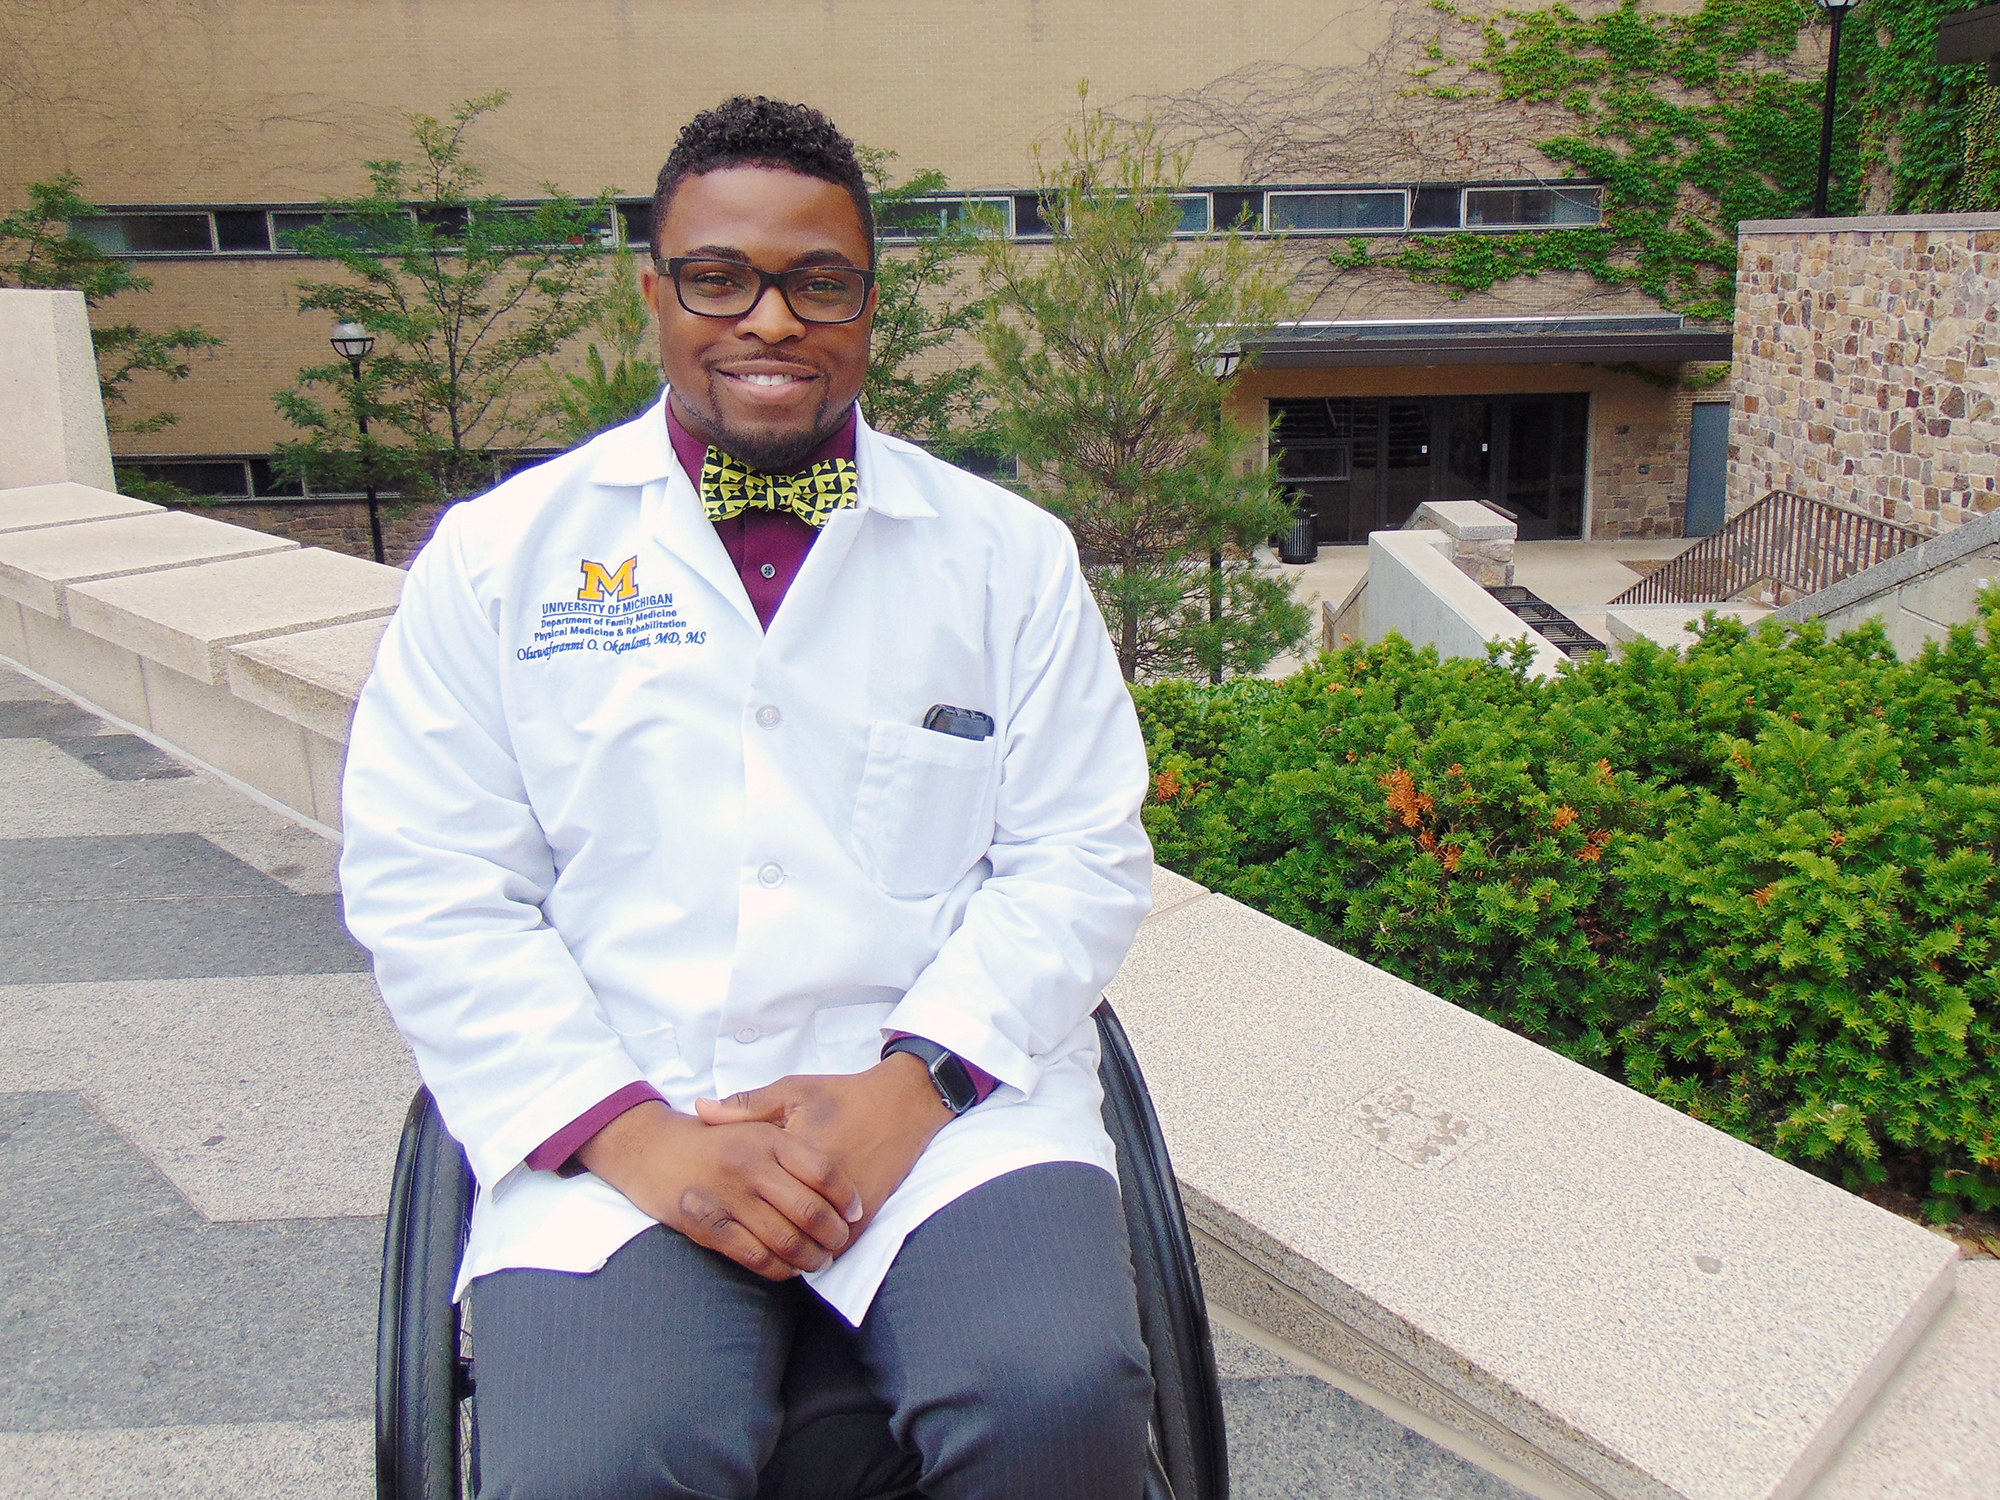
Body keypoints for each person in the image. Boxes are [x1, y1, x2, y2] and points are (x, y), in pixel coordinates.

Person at [339, 96, 1157, 1499]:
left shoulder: (1006, 557)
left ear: (870, 306)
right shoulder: (499, 559)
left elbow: (1079, 858)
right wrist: (633, 1134)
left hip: (949, 1105)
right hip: (629, 1098)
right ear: (655, 295)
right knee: (596, 1469)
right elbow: (432, 884)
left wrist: (915, 1087)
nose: (769, 320)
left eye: (818, 283)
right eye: (719, 278)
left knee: (1054, 1401)